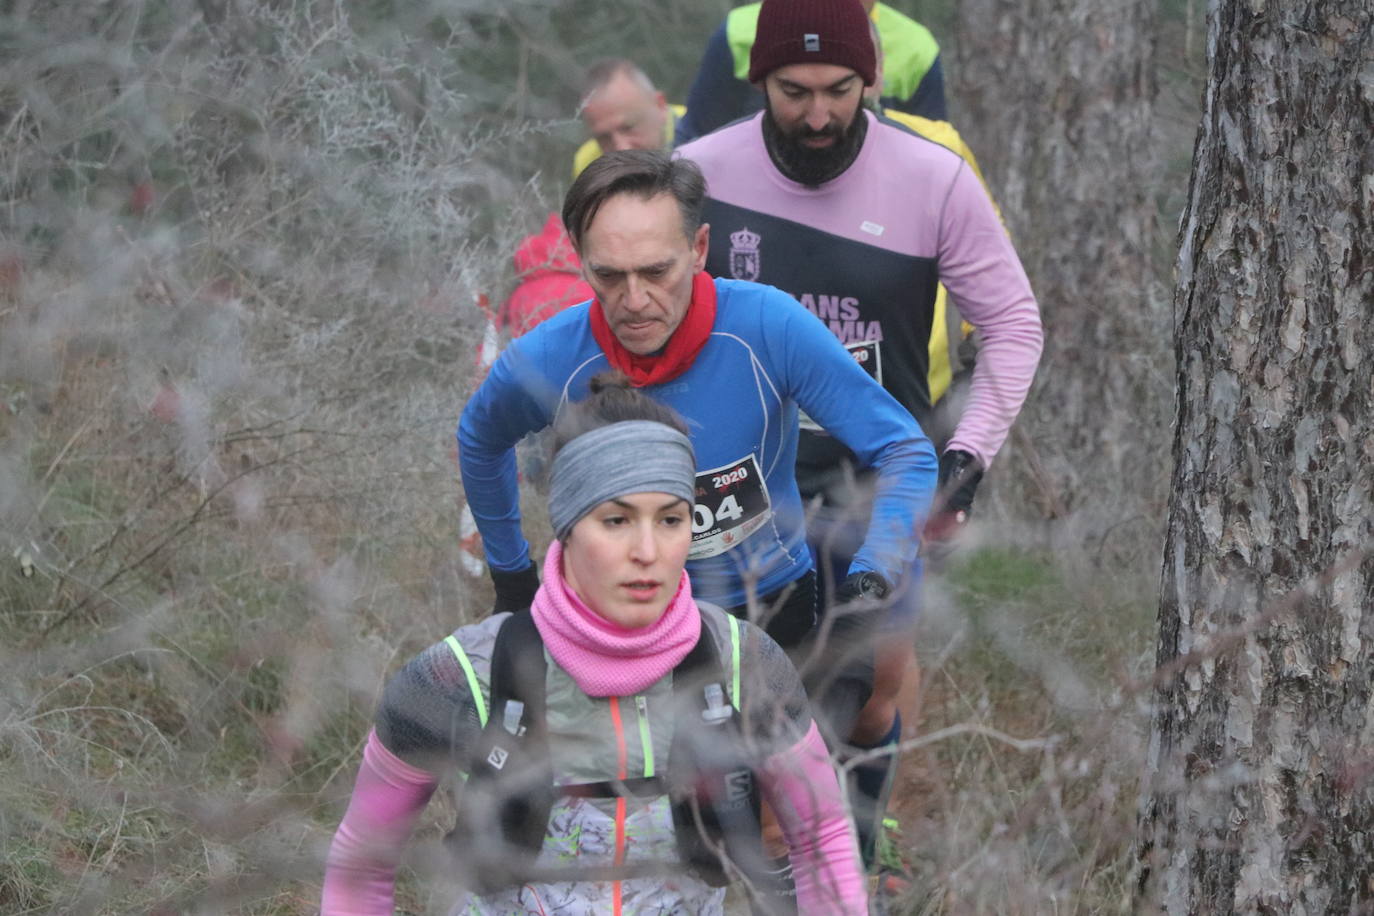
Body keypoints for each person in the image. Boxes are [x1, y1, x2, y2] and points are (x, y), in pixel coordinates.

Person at [676, 0, 1044, 872]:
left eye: (838, 90)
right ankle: (736, 868)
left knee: (871, 695)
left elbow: (1015, 325)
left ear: (869, 79)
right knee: (721, 692)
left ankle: (854, 856)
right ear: (759, 80)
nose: (816, 114)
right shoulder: (697, 172)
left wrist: (969, 456)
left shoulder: (932, 179)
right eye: (793, 90)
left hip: (877, 478)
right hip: (736, 481)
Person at [324, 376, 868, 914]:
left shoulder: (742, 666)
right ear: (566, 526)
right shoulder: (459, 678)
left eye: (671, 519)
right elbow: (363, 861)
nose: (648, 550)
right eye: (616, 520)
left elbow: (823, 839)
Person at [459, 150, 935, 729]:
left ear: (699, 249)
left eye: (657, 272)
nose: (634, 301)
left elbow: (905, 450)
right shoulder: (549, 358)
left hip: (765, 608)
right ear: (581, 263)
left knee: (777, 810)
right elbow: (479, 439)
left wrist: (870, 581)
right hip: (616, 625)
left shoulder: (767, 327)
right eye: (609, 276)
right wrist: (512, 580)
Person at [675, 0, 945, 146]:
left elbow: (931, 145)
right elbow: (697, 135)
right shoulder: (738, 31)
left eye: (840, 89)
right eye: (794, 90)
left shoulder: (916, 47)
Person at [572, 59, 687, 179]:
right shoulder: (589, 163)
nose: (622, 148)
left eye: (628, 127)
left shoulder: (702, 133)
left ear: (660, 105)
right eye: (604, 138)